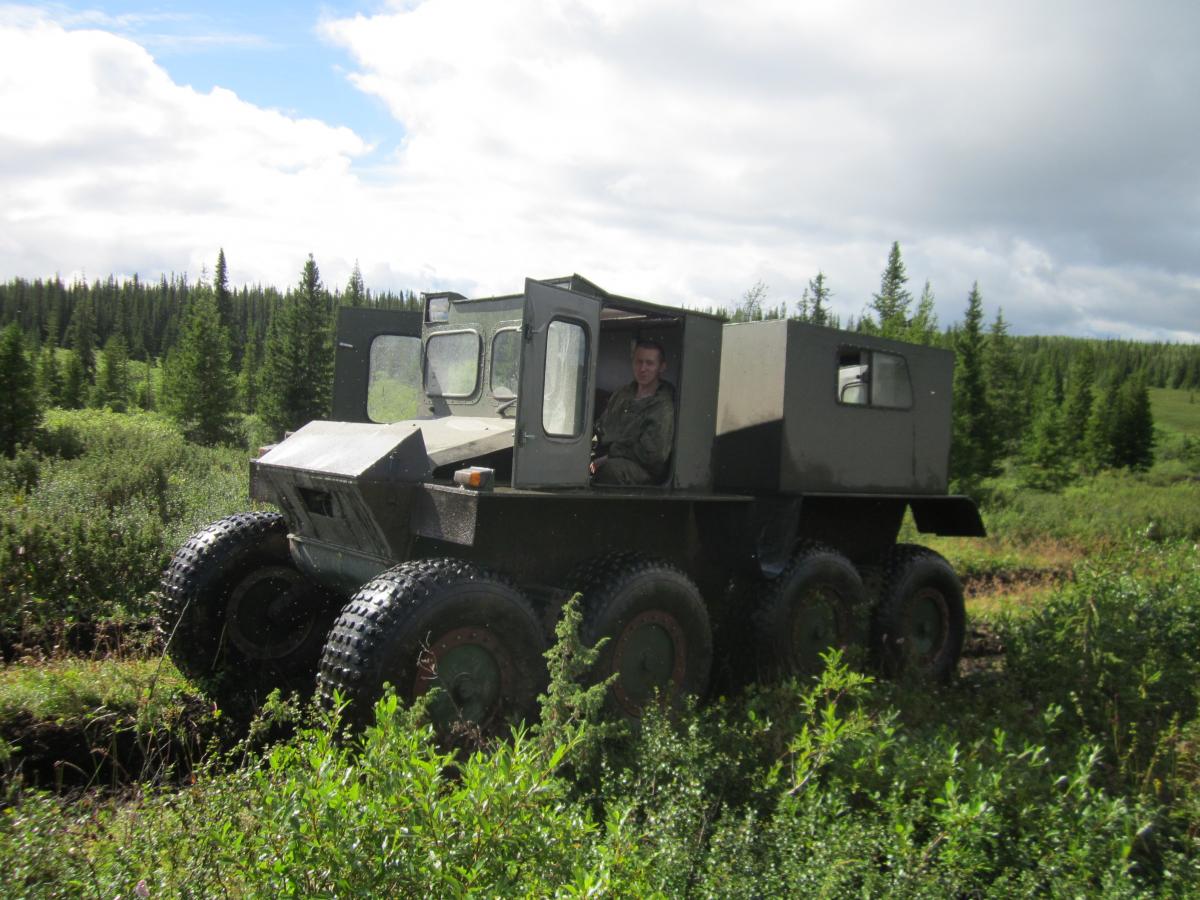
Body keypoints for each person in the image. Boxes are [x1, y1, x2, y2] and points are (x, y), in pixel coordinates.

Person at [590, 339, 675, 485]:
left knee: (610, 471)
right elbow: (601, 427)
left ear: (661, 367)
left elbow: (653, 455)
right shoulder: (623, 394)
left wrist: (608, 457)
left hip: (642, 470)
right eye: (638, 362)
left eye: (649, 363)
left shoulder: (663, 405)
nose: (643, 368)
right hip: (607, 456)